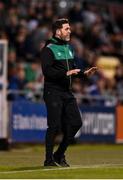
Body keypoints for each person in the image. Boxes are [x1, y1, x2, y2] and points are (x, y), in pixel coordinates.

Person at [40, 18, 97, 167]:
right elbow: (47, 71)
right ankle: (48, 160)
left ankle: (59, 154)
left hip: (67, 92)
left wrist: (84, 73)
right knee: (54, 126)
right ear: (58, 31)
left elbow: (73, 69)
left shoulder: (69, 48)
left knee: (76, 123)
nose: (70, 31)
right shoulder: (48, 48)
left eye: (69, 28)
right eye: (67, 29)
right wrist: (66, 73)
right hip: (52, 91)